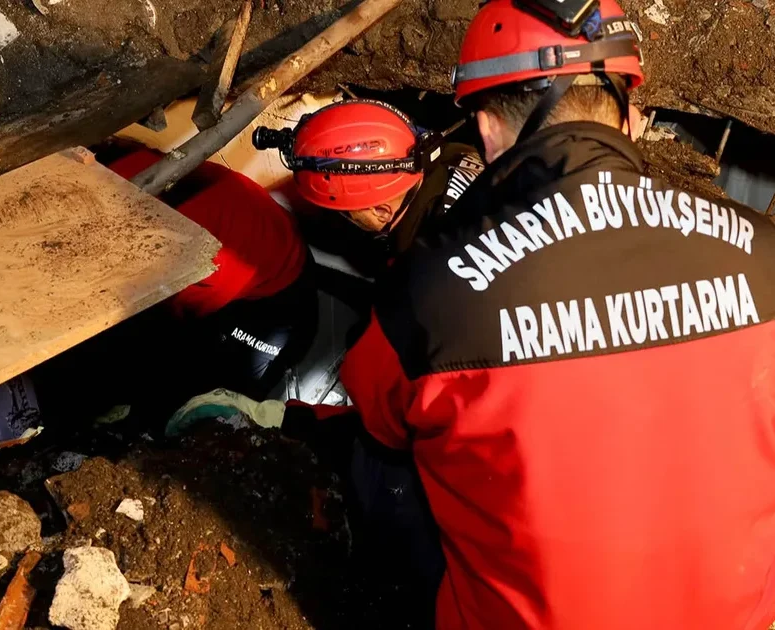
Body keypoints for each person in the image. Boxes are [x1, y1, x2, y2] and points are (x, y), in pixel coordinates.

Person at [174, 1, 775, 628]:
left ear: (487, 131)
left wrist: (276, 422)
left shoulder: (435, 297)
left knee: (386, 471)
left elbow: (371, 427)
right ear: (632, 116)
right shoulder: (763, 255)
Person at [30, 140, 318, 429]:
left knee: (213, 410)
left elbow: (152, 325)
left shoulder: (155, 252)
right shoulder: (104, 167)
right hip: (234, 239)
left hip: (274, 295)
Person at [253, 99, 484, 278]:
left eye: (347, 214)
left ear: (382, 212)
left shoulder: (422, 265)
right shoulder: (457, 152)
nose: (344, 218)